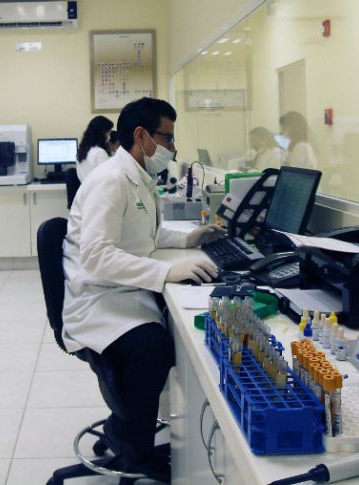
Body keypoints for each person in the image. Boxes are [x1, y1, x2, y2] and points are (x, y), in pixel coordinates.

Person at [62, 97, 225, 480]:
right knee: (154, 347)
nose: (173, 148)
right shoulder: (110, 181)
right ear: (141, 136)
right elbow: (96, 256)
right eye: (167, 138)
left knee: (168, 332)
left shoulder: (136, 177)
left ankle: (130, 422)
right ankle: (131, 443)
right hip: (97, 298)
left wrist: (188, 239)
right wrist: (166, 272)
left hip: (120, 288)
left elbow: (142, 234)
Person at [76, 115, 114, 181]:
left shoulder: (81, 152)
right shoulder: (100, 152)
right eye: (109, 132)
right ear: (103, 132)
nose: (109, 136)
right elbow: (106, 177)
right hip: (100, 186)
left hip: (85, 186)